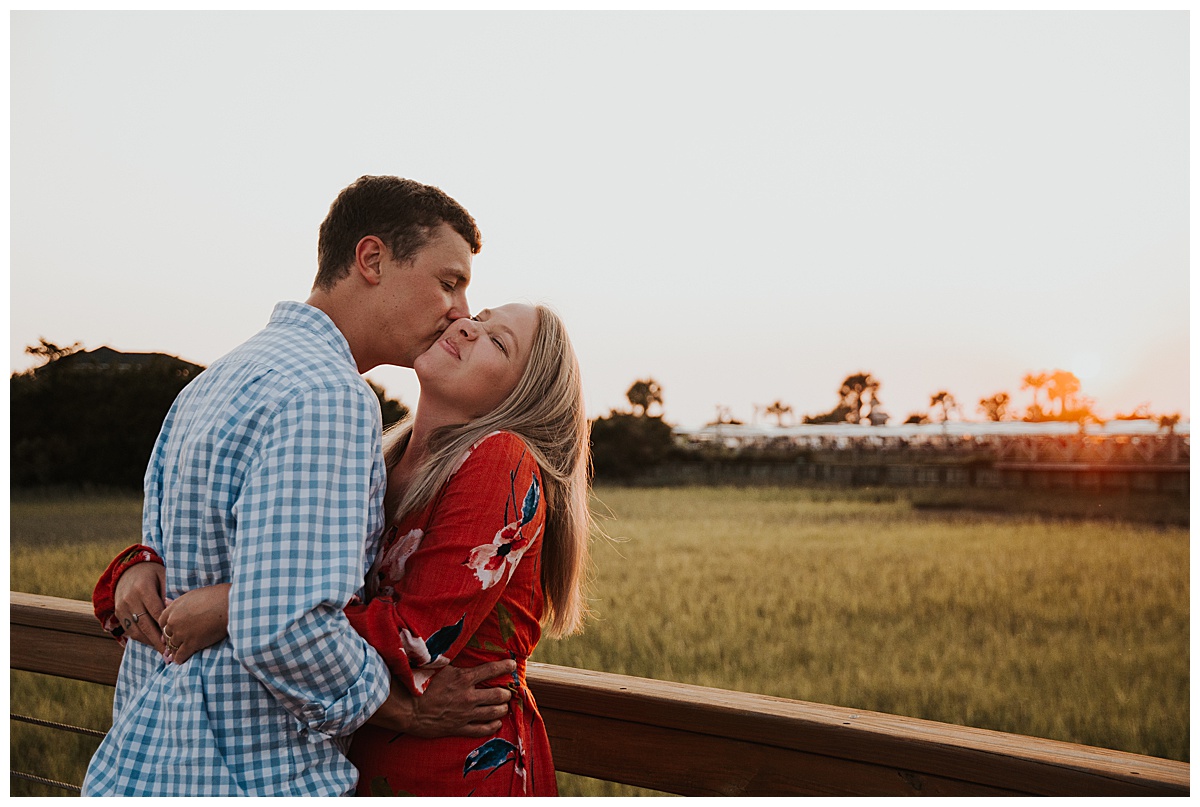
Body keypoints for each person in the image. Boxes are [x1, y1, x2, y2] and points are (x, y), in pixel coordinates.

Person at [84, 176, 518, 797]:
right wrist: (402, 710)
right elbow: (284, 624)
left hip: (151, 756)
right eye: (448, 281)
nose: (458, 309)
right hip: (249, 772)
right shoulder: (328, 396)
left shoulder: (216, 380)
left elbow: (169, 560)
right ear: (372, 259)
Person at [97, 302, 592, 796]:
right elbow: (268, 557)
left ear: (523, 397)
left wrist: (233, 605)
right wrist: (135, 569)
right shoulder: (381, 459)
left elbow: (418, 638)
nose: (466, 325)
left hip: (451, 762)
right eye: (480, 319)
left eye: (497, 341)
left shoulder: (502, 459)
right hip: (354, 746)